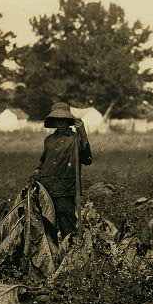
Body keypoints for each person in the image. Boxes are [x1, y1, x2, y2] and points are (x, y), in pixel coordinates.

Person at [33, 102, 91, 240]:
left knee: (67, 224)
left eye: (63, 119)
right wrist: (37, 170)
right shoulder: (49, 140)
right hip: (46, 187)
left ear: (68, 121)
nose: (60, 123)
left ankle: (70, 254)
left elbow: (87, 159)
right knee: (47, 223)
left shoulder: (75, 139)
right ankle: (52, 256)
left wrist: (83, 133)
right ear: (53, 121)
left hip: (65, 188)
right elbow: (43, 161)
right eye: (57, 119)